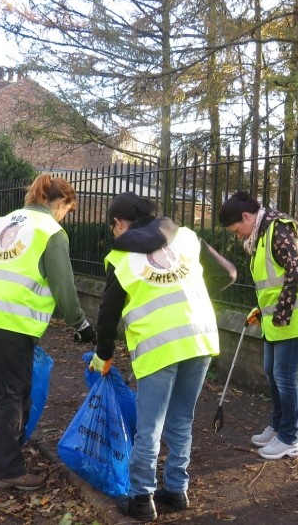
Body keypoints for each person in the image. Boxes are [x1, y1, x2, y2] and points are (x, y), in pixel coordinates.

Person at [92, 192, 236, 522]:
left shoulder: (120, 256)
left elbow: (108, 313)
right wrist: (189, 294)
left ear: (118, 223)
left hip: (159, 345)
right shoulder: (186, 237)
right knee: (181, 419)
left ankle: (141, 497)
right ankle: (176, 490)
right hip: (199, 336)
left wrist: (103, 355)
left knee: (150, 426)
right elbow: (227, 273)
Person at [0, 174, 96, 490]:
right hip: (13, 321)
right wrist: (80, 324)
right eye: (68, 208)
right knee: (12, 394)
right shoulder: (50, 231)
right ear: (61, 202)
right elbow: (63, 286)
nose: (66, 215)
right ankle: (7, 470)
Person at [218, 190, 298, 461]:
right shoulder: (263, 233)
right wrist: (262, 310)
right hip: (276, 319)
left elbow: (295, 270)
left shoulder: (278, 229)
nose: (237, 235)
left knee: (284, 378)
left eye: (236, 229)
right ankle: (278, 427)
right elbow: (273, 280)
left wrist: (281, 312)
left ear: (246, 216)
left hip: (292, 319)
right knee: (271, 373)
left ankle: (290, 439)